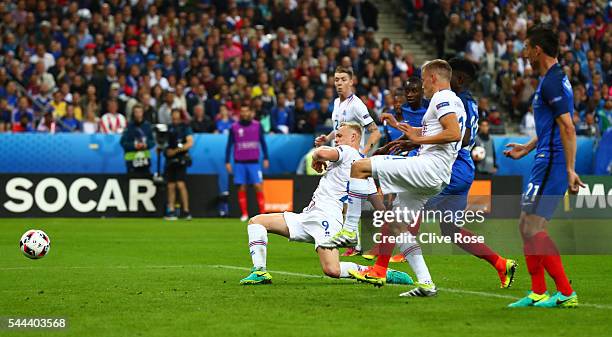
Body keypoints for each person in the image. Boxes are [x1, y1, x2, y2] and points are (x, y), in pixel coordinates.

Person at [330, 59, 466, 297]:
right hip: (437, 173)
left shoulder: (442, 98)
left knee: (359, 166)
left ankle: (350, 230)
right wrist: (410, 136)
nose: (422, 85)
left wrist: (420, 141)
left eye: (423, 79)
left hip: (428, 167)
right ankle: (426, 283)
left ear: (433, 78)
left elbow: (453, 133)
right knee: (396, 224)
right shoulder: (454, 102)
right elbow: (440, 132)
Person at [239, 122, 413, 286]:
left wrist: (316, 156)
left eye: (339, 136)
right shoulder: (363, 169)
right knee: (257, 222)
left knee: (332, 269)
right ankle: (260, 271)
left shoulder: (347, 151)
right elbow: (379, 207)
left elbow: (321, 153)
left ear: (353, 137)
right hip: (309, 216)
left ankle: (381, 272)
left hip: (326, 219)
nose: (335, 139)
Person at [504, 26, 583, 308]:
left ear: (537, 49)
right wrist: (526, 148)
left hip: (554, 161)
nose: (524, 54)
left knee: (534, 226)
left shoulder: (552, 82)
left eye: (526, 48)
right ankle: (538, 291)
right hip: (544, 159)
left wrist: (571, 169)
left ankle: (565, 292)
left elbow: (568, 128)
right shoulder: (553, 79)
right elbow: (552, 124)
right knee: (526, 225)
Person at [314, 65, 381, 256]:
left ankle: (388, 241)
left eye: (343, 79)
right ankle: (357, 244)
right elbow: (340, 129)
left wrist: (364, 153)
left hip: (356, 162)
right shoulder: (337, 103)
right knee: (350, 202)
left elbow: (375, 132)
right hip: (345, 162)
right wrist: (327, 138)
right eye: (336, 79)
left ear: (351, 81)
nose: (339, 83)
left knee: (375, 204)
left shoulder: (357, 105)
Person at [225, 105, 270, 221]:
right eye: (242, 111)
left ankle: (262, 213)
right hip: (239, 162)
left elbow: (263, 142)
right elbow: (229, 145)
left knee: (258, 186)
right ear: (240, 113)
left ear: (251, 112)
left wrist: (266, 157)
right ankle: (244, 214)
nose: (244, 113)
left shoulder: (257, 125)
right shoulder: (234, 127)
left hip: (254, 162)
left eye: (247, 111)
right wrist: (227, 161)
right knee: (241, 187)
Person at [164, 108, 194, 220]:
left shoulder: (185, 128)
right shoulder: (168, 128)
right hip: (170, 160)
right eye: (173, 117)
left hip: (181, 159)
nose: (175, 119)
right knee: (170, 185)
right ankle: (171, 210)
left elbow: (189, 143)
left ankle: (186, 211)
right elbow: (163, 142)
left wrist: (175, 151)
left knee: (180, 184)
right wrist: (165, 150)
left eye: (177, 117)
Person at [120, 104, 155, 176]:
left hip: (145, 160)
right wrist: (134, 146)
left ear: (142, 113)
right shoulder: (129, 126)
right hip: (131, 160)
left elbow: (152, 141)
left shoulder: (147, 126)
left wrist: (146, 145)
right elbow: (123, 142)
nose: (138, 114)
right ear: (133, 113)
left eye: (140, 112)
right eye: (136, 112)